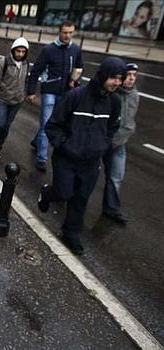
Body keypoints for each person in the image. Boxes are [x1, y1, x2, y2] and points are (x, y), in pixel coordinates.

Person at [37, 57, 126, 255]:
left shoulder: (114, 102)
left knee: (81, 198)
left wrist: (102, 146)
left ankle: (71, 233)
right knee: (63, 192)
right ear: (103, 75)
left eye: (120, 79)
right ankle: (47, 193)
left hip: (91, 161)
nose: (117, 83)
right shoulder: (76, 96)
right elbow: (53, 125)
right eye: (113, 78)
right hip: (66, 157)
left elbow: (112, 128)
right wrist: (65, 145)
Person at [26, 21, 84, 172]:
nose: (68, 35)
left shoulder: (76, 50)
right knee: (46, 124)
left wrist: (75, 82)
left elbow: (79, 68)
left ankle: (36, 141)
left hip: (66, 93)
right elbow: (36, 70)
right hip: (50, 91)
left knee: (58, 123)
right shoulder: (49, 50)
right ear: (59, 32)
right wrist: (31, 91)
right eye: (65, 32)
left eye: (71, 32)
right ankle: (42, 158)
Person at [102, 63, 139, 225]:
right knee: (84, 176)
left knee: (116, 177)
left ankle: (111, 208)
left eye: (134, 75)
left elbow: (130, 119)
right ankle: (67, 197)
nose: (131, 78)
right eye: (128, 74)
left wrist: (127, 132)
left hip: (119, 144)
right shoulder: (110, 93)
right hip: (102, 141)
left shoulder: (135, 95)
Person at [0, 37, 30, 160]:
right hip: (2, 100)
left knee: (6, 126)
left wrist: (23, 95)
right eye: (18, 51)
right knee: (0, 124)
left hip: (16, 101)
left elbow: (25, 80)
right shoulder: (3, 62)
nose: (20, 54)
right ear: (13, 50)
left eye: (23, 52)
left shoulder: (26, 64)